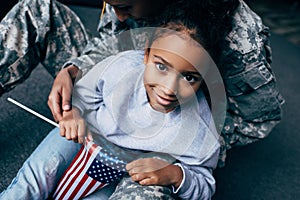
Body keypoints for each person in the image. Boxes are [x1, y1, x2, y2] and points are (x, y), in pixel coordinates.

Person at [0, 0, 284, 197]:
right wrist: (76, 70)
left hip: (176, 130)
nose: (118, 15)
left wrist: (176, 144)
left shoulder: (237, 33)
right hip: (124, 85)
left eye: (125, 8)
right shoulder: (129, 42)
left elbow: (256, 120)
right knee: (35, 11)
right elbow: (111, 45)